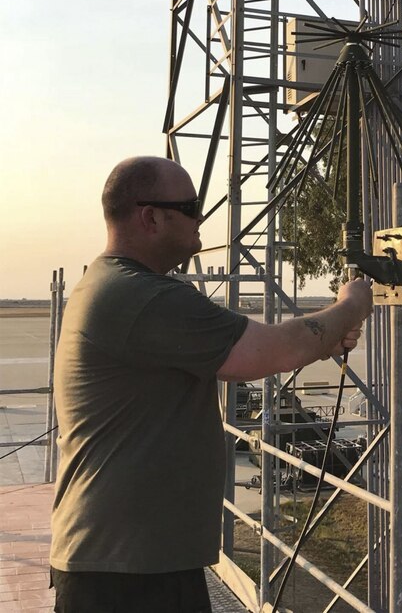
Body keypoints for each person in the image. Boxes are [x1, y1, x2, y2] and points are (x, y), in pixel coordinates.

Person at [49, 156, 372, 613]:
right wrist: (350, 304)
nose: (201, 218)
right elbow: (270, 351)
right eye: (190, 206)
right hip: (125, 575)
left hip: (135, 561)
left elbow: (270, 348)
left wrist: (324, 336)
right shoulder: (143, 296)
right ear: (151, 216)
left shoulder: (121, 287)